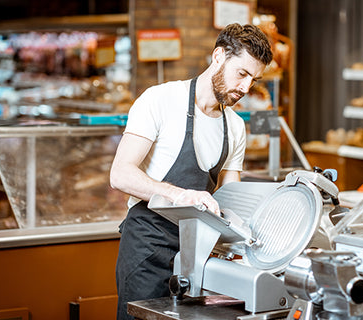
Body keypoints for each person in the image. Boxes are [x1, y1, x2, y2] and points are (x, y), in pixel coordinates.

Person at [110, 23, 273, 320]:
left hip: (198, 255)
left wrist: (250, 240)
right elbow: (121, 174)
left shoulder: (234, 126)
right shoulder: (160, 100)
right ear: (219, 57)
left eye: (255, 79)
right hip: (149, 247)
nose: (246, 88)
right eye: (242, 74)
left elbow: (230, 198)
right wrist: (181, 195)